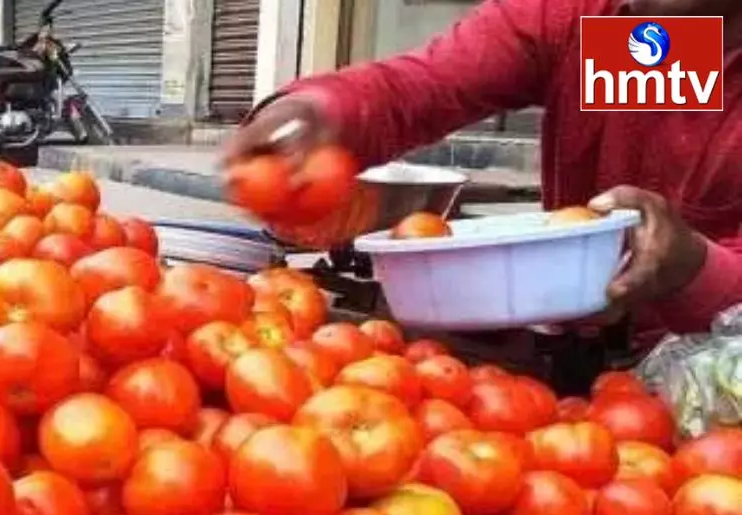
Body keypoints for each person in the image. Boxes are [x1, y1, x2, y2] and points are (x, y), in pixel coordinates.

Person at [227, 0, 742, 334]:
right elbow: (423, 85)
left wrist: (692, 266)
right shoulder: (603, 25)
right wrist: (317, 113)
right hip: (583, 379)